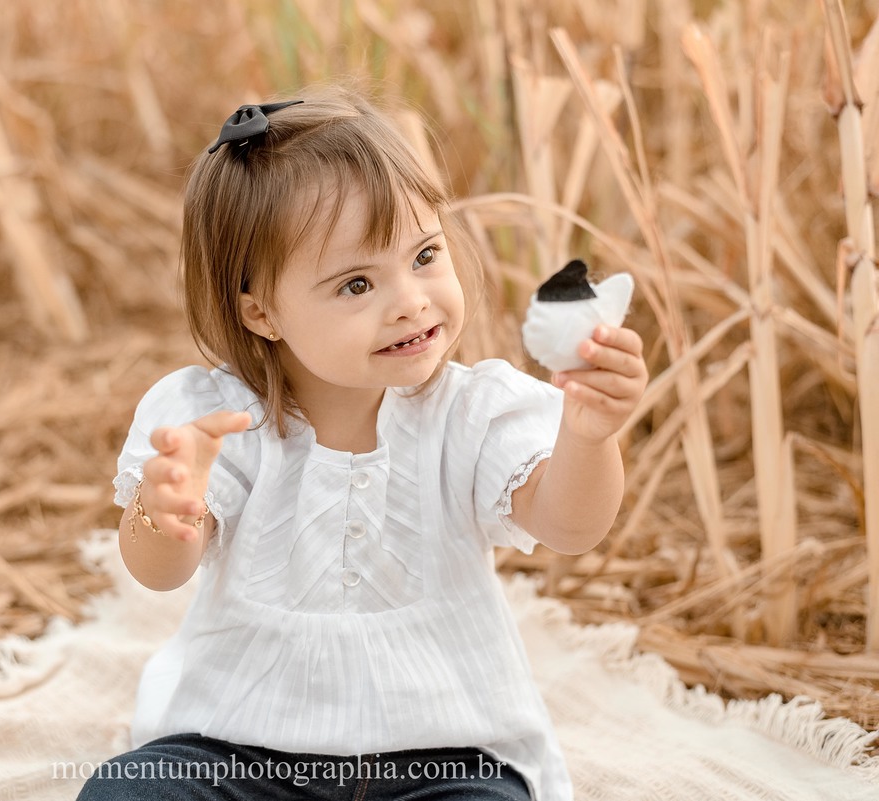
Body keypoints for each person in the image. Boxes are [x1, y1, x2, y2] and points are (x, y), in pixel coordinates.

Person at [78, 87, 648, 801]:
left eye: (425, 254)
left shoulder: (470, 412)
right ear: (262, 312)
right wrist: (164, 514)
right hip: (241, 748)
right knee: (129, 793)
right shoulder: (220, 419)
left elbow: (570, 525)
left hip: (441, 756)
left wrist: (589, 438)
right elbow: (160, 571)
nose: (409, 299)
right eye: (355, 283)